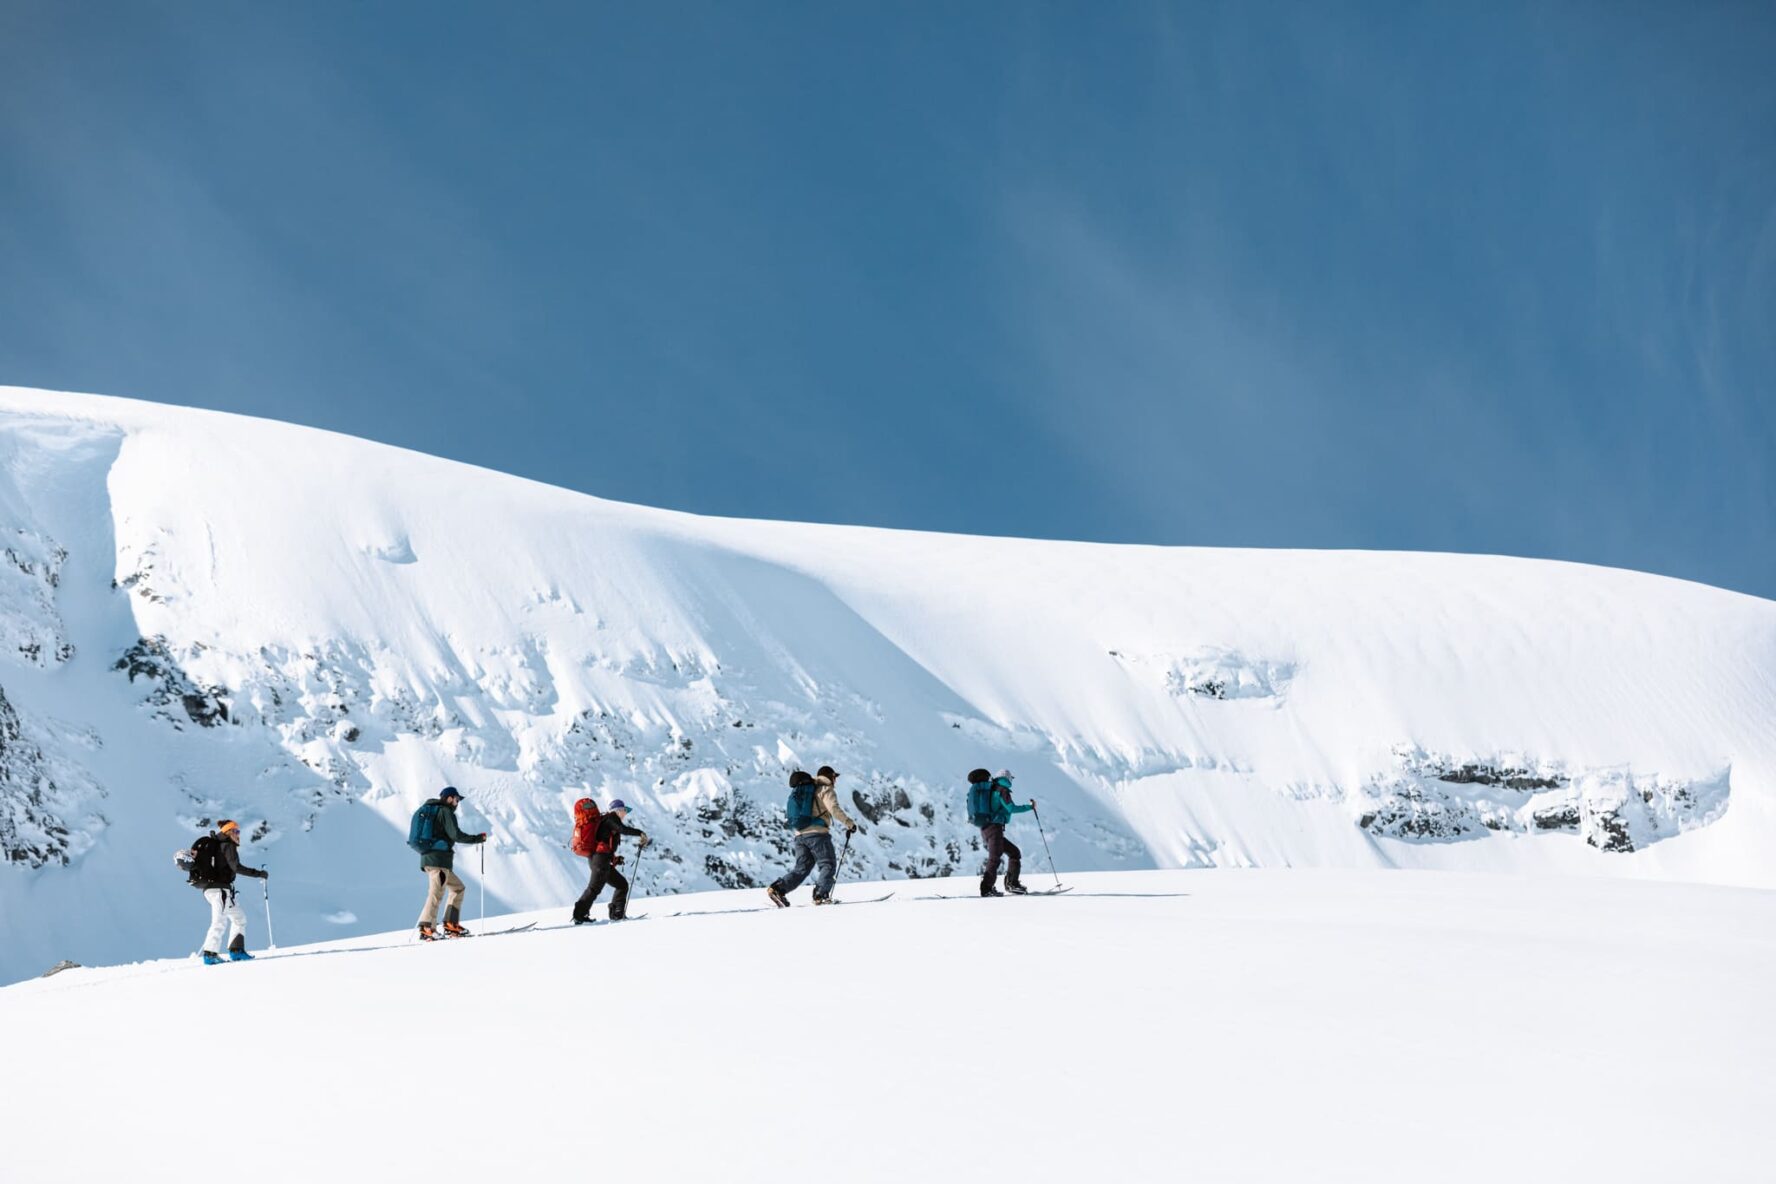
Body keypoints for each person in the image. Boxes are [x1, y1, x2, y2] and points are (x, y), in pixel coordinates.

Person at [766, 765, 858, 907]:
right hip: (817, 834)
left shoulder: (806, 789)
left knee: (801, 868)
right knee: (828, 864)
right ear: (830, 776)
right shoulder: (825, 789)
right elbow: (833, 809)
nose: (836, 780)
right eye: (835, 777)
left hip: (799, 835)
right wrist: (849, 823)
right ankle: (820, 895)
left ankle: (778, 889)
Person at [188, 819, 268, 964]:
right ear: (228, 832)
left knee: (239, 918)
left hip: (218, 889)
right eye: (236, 831)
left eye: (239, 831)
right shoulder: (227, 845)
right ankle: (210, 954)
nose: (238, 834)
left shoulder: (219, 845)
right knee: (219, 921)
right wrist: (258, 874)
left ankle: (237, 951)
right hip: (219, 889)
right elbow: (236, 867)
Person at [415, 786, 487, 940]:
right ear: (449, 798)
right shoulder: (445, 812)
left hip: (436, 860)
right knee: (436, 893)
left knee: (458, 888)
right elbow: (456, 835)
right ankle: (427, 927)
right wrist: (477, 839)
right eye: (456, 799)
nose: (457, 802)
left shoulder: (436, 811)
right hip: (438, 861)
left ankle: (450, 923)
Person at [571, 799, 651, 923]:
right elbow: (623, 829)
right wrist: (640, 833)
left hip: (599, 860)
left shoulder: (607, 821)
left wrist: (614, 859)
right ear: (617, 810)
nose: (625, 813)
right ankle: (579, 915)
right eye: (624, 810)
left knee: (621, 885)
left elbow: (603, 844)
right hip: (600, 861)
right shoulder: (611, 818)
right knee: (594, 888)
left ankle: (617, 914)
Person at [977, 769, 1034, 897]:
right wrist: (1029, 807)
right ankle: (987, 889)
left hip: (987, 828)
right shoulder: (1002, 790)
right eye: (1011, 778)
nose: (1011, 780)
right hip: (994, 828)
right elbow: (1011, 808)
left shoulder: (992, 788)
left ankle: (1012, 884)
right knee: (994, 858)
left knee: (1014, 852)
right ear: (1007, 778)